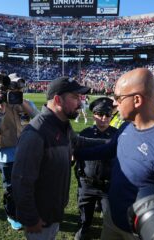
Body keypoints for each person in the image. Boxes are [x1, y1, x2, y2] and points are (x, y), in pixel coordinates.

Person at [75, 68, 154, 240]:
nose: (114, 103)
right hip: (112, 220)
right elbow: (109, 149)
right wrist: (74, 152)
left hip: (139, 232)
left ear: (136, 100)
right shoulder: (127, 126)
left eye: (118, 98)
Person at [11, 76, 92, 240]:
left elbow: (79, 142)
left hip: (53, 211)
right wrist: (31, 218)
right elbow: (21, 180)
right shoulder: (36, 133)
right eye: (75, 97)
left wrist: (115, 142)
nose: (81, 103)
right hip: (40, 218)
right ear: (57, 100)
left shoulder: (62, 124)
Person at [0, 74, 39, 230]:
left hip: (27, 153)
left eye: (19, 88)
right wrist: (0, 111)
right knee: (10, 188)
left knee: (29, 184)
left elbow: (39, 119)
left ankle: (26, 209)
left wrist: (22, 103)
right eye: (14, 88)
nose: (17, 91)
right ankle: (12, 215)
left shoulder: (26, 103)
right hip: (6, 155)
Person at [74, 97, 118, 240]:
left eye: (108, 115)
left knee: (109, 218)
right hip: (87, 184)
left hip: (108, 186)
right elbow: (76, 158)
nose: (104, 118)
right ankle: (83, 231)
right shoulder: (85, 134)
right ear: (93, 115)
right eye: (100, 114)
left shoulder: (117, 134)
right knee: (84, 216)